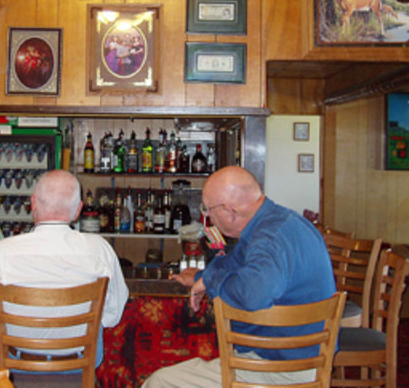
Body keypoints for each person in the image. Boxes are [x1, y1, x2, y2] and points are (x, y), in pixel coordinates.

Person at [142, 166, 336, 387]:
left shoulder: (268, 240)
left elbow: (252, 294)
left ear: (228, 212)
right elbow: (234, 262)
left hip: (282, 369)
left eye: (208, 210)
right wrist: (205, 276)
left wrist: (211, 280)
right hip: (302, 358)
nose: (207, 218)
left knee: (160, 382)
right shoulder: (279, 221)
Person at [0, 169, 129, 367]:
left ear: (33, 204)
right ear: (78, 210)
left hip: (14, 364)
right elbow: (113, 315)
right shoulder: (100, 251)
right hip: (79, 364)